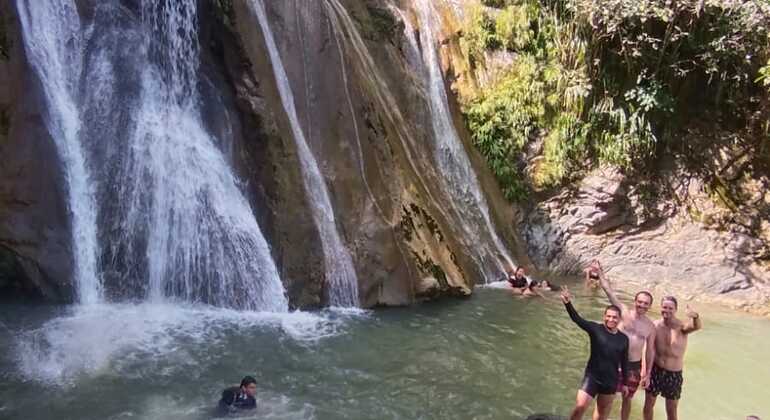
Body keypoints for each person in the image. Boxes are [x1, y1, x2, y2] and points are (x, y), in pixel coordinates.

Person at [595, 267, 656, 420]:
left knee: (627, 399)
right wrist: (600, 273)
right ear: (635, 301)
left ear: (650, 306)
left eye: (646, 303)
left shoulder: (650, 326)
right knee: (605, 399)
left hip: (633, 367)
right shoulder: (623, 312)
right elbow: (608, 291)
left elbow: (650, 351)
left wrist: (647, 373)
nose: (642, 305)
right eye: (640, 302)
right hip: (614, 364)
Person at [561, 286, 629, 420]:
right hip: (592, 377)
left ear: (619, 319)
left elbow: (624, 362)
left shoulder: (623, 339)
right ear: (604, 316)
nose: (611, 319)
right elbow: (577, 319)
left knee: (601, 415)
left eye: (614, 317)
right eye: (608, 316)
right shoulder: (595, 329)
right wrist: (568, 303)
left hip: (610, 381)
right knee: (580, 407)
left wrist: (625, 384)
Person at [643, 296, 702, 420]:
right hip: (655, 370)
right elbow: (648, 349)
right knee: (648, 405)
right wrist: (645, 372)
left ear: (675, 310)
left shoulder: (681, 327)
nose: (667, 310)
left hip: (673, 374)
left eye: (670, 308)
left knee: (671, 410)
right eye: (665, 307)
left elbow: (696, 327)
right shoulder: (655, 325)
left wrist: (695, 316)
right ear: (660, 308)